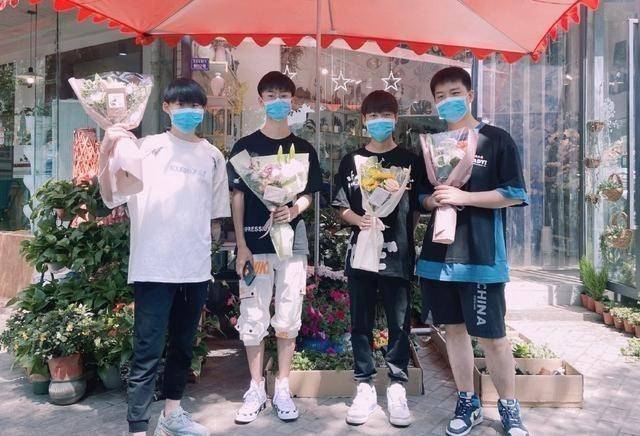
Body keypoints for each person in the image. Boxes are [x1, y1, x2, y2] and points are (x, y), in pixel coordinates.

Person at [101, 78, 230, 436]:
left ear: (204, 110)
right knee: (147, 349)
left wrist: (208, 248)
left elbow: (215, 217)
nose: (190, 111)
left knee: (183, 346)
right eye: (182, 105)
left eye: (196, 105)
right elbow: (112, 194)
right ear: (166, 108)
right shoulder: (146, 147)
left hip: (194, 268)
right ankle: (137, 427)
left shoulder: (212, 156)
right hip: (154, 265)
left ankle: (171, 415)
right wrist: (108, 148)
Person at [416, 67, 530, 436]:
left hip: (481, 257)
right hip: (439, 257)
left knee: (493, 337)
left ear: (470, 95)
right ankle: (467, 401)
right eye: (440, 96)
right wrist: (434, 200)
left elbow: (513, 194)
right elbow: (420, 197)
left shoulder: (496, 140)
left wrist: (465, 197)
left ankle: (509, 407)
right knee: (454, 331)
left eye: (454, 93)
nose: (448, 100)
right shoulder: (432, 146)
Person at [227, 71, 322, 424]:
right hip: (256, 247)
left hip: (292, 247)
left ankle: (282, 385)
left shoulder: (305, 149)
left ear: (292, 101)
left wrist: (294, 209)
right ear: (260, 101)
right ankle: (256, 388)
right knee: (253, 314)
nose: (278, 101)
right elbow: (237, 197)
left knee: (288, 313)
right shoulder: (245, 147)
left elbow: (309, 195)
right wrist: (241, 245)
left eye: (284, 95)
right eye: (271, 95)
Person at [332, 90, 422, 428]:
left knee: (400, 323)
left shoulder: (410, 161)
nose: (378, 121)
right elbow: (341, 206)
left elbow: (415, 211)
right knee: (361, 322)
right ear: (364, 121)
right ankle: (365, 386)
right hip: (362, 255)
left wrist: (398, 234)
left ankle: (397, 385)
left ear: (395, 119)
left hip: (398, 255)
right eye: (372, 116)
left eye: (385, 115)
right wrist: (361, 221)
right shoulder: (351, 161)